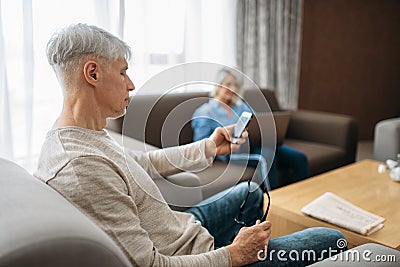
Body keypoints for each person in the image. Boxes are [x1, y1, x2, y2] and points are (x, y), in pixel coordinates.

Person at [34, 23, 345, 267]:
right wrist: (234, 256)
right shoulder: (80, 166)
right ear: (93, 73)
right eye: (123, 71)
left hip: (183, 229)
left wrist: (208, 147)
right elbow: (147, 264)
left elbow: (146, 163)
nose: (130, 83)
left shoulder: (90, 135)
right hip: (185, 253)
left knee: (249, 192)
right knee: (332, 238)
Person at [191, 69, 309, 190]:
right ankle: (272, 203)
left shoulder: (240, 106)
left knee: (300, 158)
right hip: (232, 153)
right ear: (218, 85)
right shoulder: (205, 112)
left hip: (256, 144)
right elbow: (200, 144)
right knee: (267, 155)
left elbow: (256, 125)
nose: (233, 89)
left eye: (236, 85)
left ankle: (300, 197)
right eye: (228, 84)